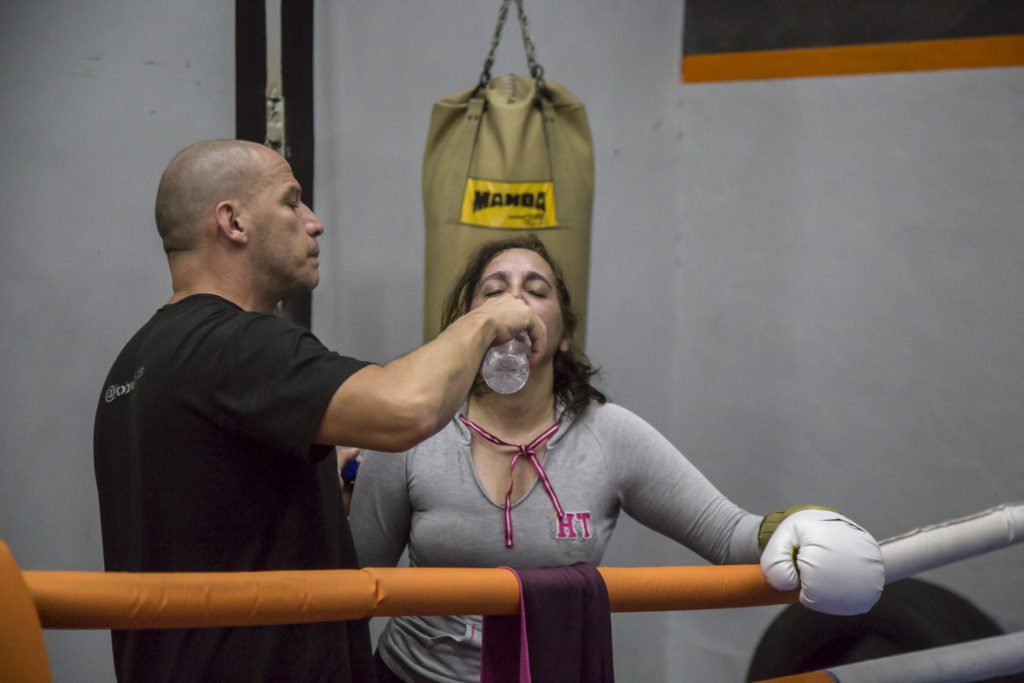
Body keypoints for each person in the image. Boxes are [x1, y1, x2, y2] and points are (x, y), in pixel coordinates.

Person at [93, 139, 547, 683]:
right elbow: (408, 409)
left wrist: (312, 489)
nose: (314, 222)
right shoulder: (238, 344)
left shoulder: (136, 361)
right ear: (233, 222)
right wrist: (487, 319)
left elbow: (204, 517)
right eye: (291, 201)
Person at [348, 235, 886, 683]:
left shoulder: (608, 436)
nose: (515, 304)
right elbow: (350, 586)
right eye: (495, 292)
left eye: (535, 291)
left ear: (563, 334)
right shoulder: (417, 432)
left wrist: (799, 528)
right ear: (467, 327)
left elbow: (727, 535)